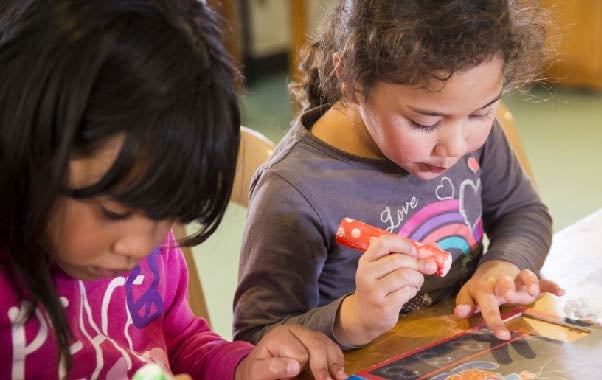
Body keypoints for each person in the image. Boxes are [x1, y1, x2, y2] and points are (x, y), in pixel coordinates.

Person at [0, 1, 347, 379]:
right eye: (115, 212)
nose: (139, 246)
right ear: (27, 148)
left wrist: (243, 368)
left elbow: (180, 343)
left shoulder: (150, 256)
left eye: (166, 213)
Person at [234, 0, 564, 351]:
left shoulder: (464, 127)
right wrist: (352, 320)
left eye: (480, 114)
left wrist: (501, 266)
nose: (455, 147)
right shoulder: (295, 190)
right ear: (350, 79)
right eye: (425, 123)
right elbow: (258, 338)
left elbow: (523, 213)